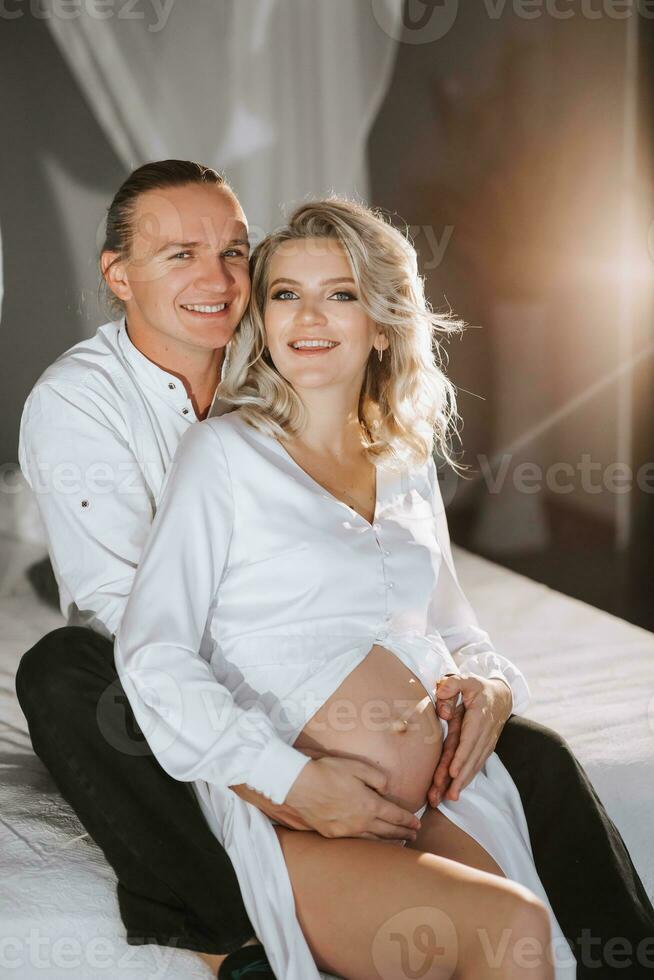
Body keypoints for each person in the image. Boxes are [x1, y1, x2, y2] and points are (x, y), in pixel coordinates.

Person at [14, 161, 654, 979]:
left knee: (537, 759)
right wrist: (288, 766)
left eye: (234, 253)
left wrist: (482, 681)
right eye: (180, 255)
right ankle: (226, 938)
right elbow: (134, 626)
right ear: (119, 275)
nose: (217, 279)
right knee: (64, 672)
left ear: (381, 322)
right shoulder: (92, 406)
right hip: (194, 701)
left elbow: (434, 616)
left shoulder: (347, 421)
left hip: (390, 748)